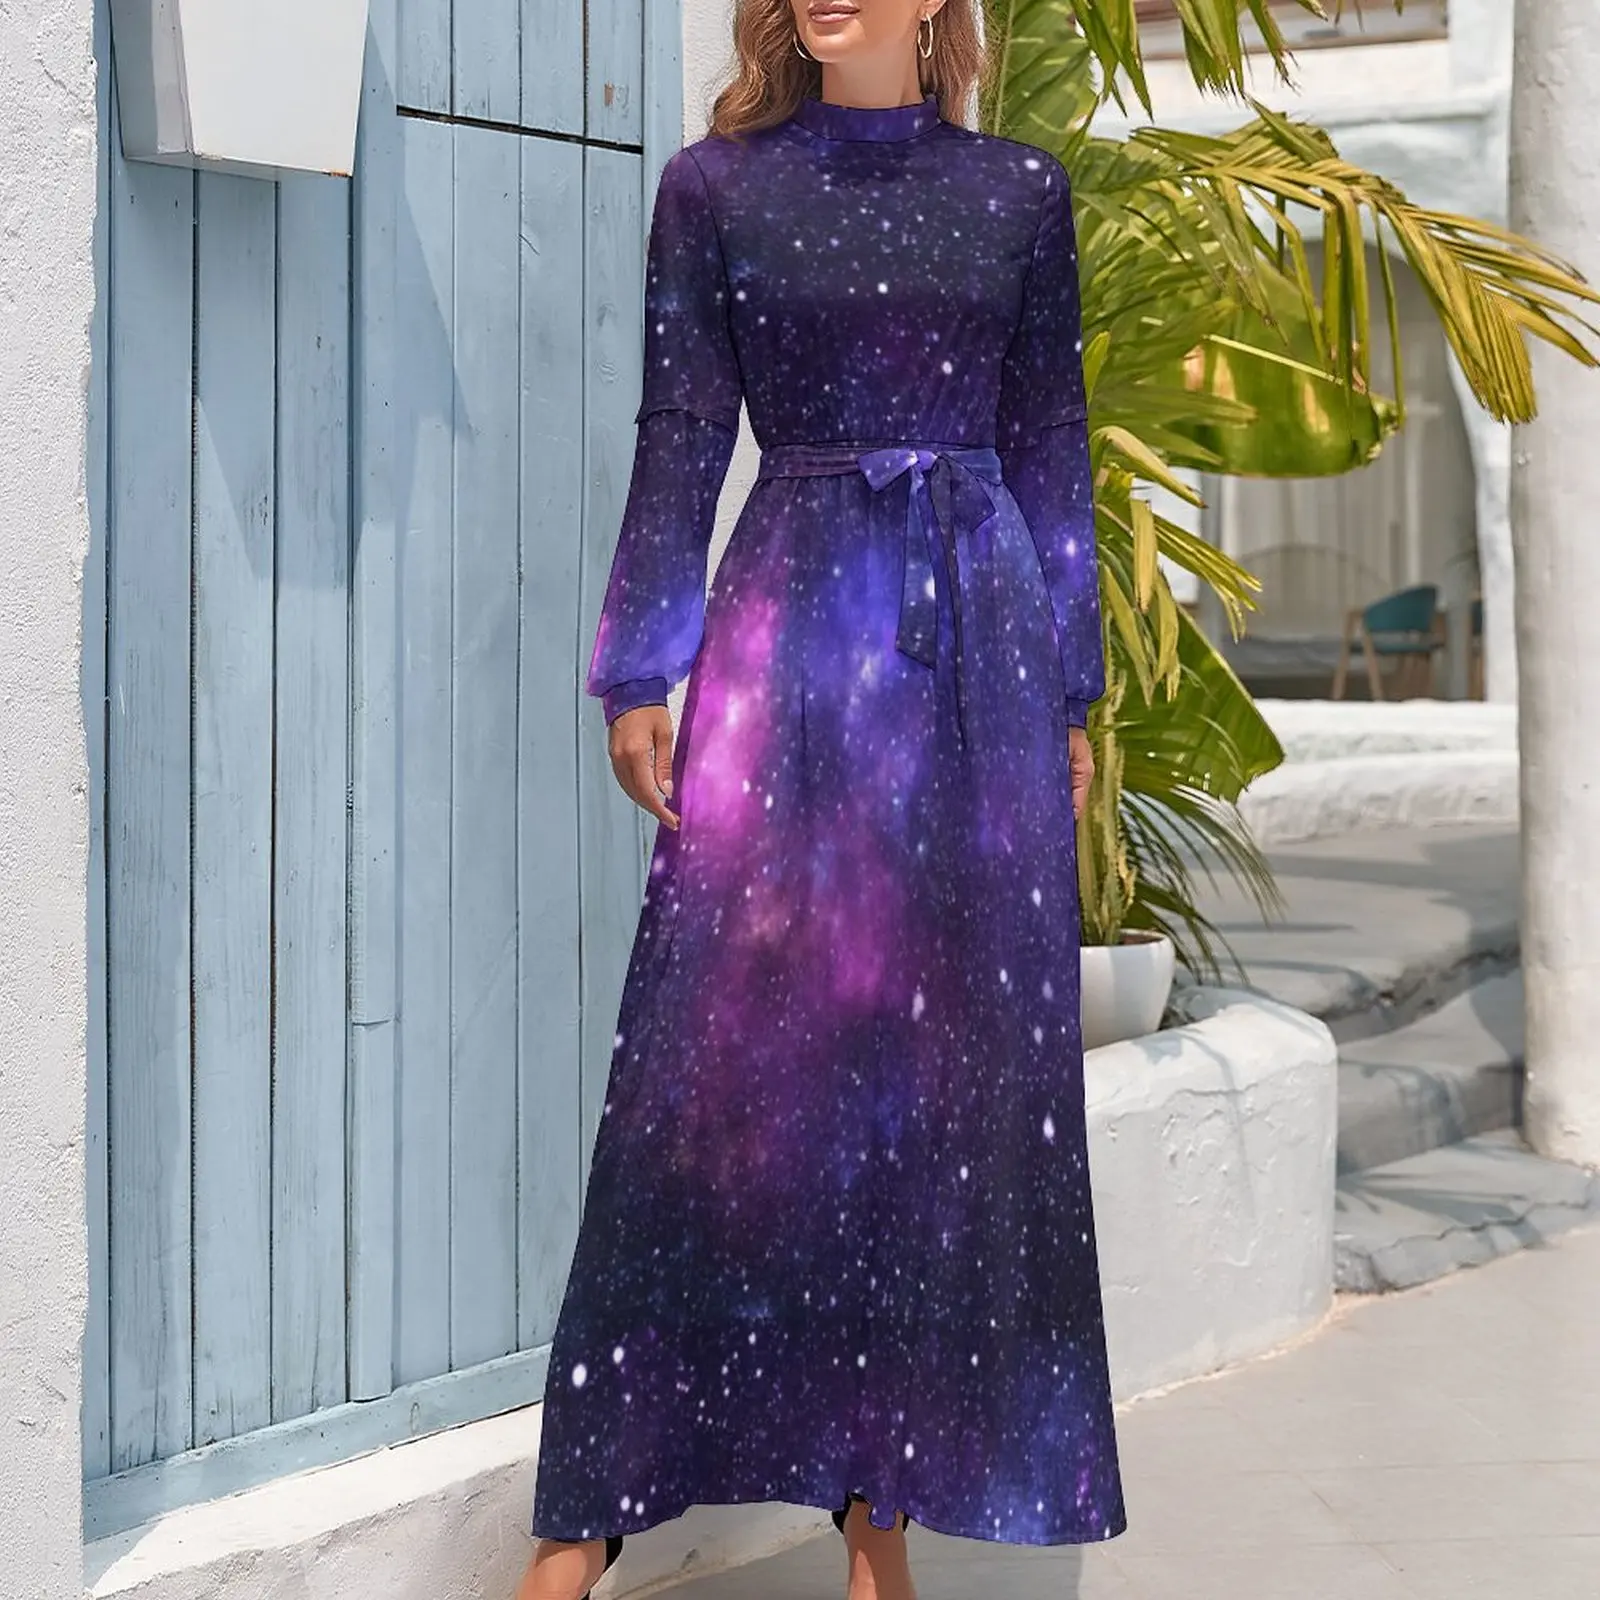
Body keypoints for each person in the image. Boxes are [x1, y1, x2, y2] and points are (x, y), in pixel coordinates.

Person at [516, 2, 1125, 1596]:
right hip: (783, 639)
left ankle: (880, 1535)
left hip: (977, 654)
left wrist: (1070, 684)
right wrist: (639, 663)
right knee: (702, 1065)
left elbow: (1048, 442)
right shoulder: (715, 189)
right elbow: (679, 431)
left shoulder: (1019, 193)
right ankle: (578, 1532)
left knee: (939, 1083)